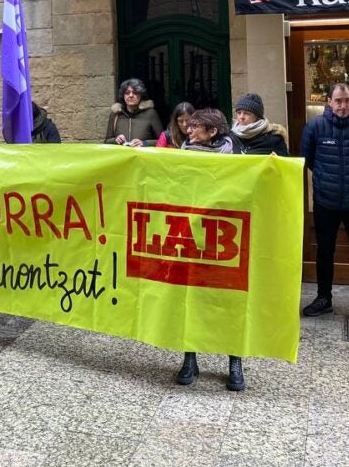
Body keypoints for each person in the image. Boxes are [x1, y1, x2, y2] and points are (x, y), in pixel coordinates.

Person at [175, 108, 245, 391]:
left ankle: (235, 361)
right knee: (190, 295)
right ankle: (190, 358)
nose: (188, 132)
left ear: (212, 132)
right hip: (192, 233)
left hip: (227, 236)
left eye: (195, 128)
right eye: (188, 127)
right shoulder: (182, 152)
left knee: (230, 298)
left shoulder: (238, 154)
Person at [300, 83, 349, 324]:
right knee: (325, 251)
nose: (343, 106)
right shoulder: (315, 127)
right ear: (329, 101)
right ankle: (323, 298)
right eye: (338, 101)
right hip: (326, 200)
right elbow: (308, 158)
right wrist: (327, 180)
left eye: (347, 101)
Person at [104, 78, 163, 146]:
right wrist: (116, 140)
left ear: (141, 95)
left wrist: (144, 143)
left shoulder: (150, 113)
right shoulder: (116, 114)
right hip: (122, 155)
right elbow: (107, 141)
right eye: (127, 93)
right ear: (123, 96)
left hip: (142, 155)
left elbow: (162, 140)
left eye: (135, 93)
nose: (131, 95)